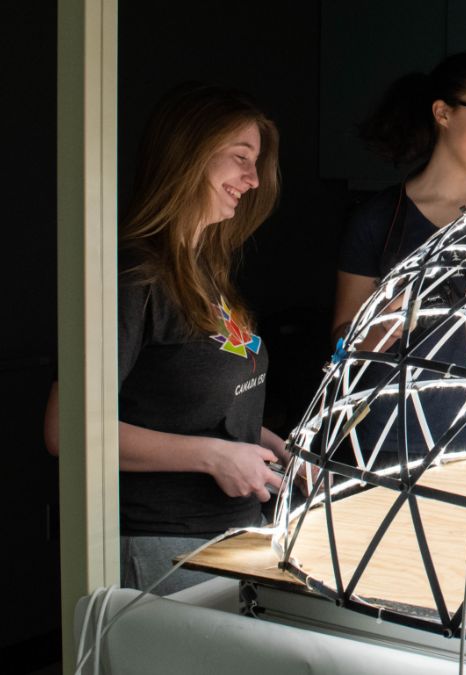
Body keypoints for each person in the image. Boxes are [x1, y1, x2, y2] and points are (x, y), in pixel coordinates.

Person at [44, 83, 286, 594]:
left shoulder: (204, 270)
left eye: (257, 162)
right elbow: (65, 429)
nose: (253, 178)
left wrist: (270, 447)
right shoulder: (132, 275)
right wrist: (215, 457)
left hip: (227, 537)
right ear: (189, 155)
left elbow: (186, 405)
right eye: (240, 158)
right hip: (160, 547)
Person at [332, 52, 466, 463]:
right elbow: (340, 344)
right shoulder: (376, 221)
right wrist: (380, 325)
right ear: (443, 113)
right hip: (388, 445)